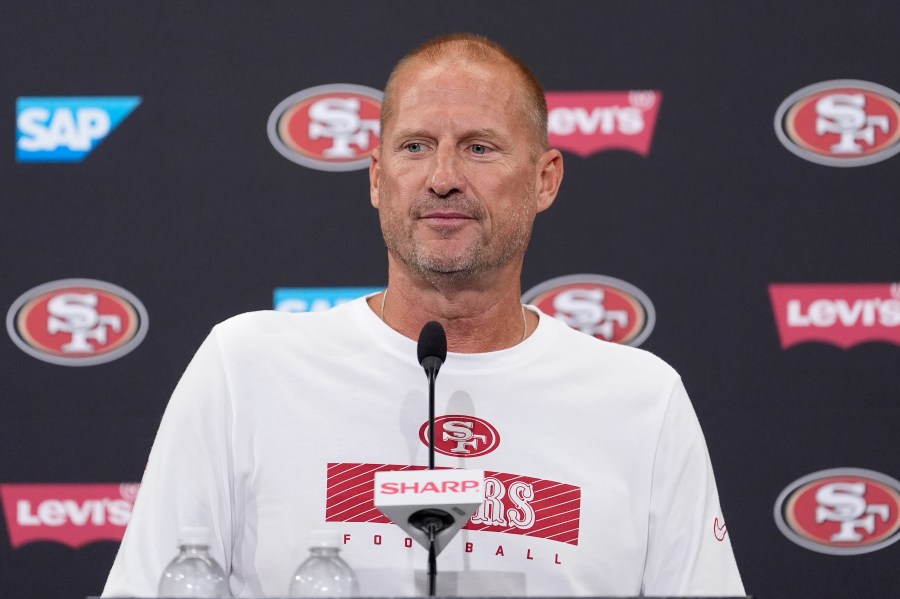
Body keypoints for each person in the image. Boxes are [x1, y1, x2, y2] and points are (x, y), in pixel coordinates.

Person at [102, 33, 744, 597]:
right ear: (377, 177)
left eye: (480, 148)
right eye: (415, 146)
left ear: (545, 180)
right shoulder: (245, 368)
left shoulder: (642, 399)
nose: (442, 177)